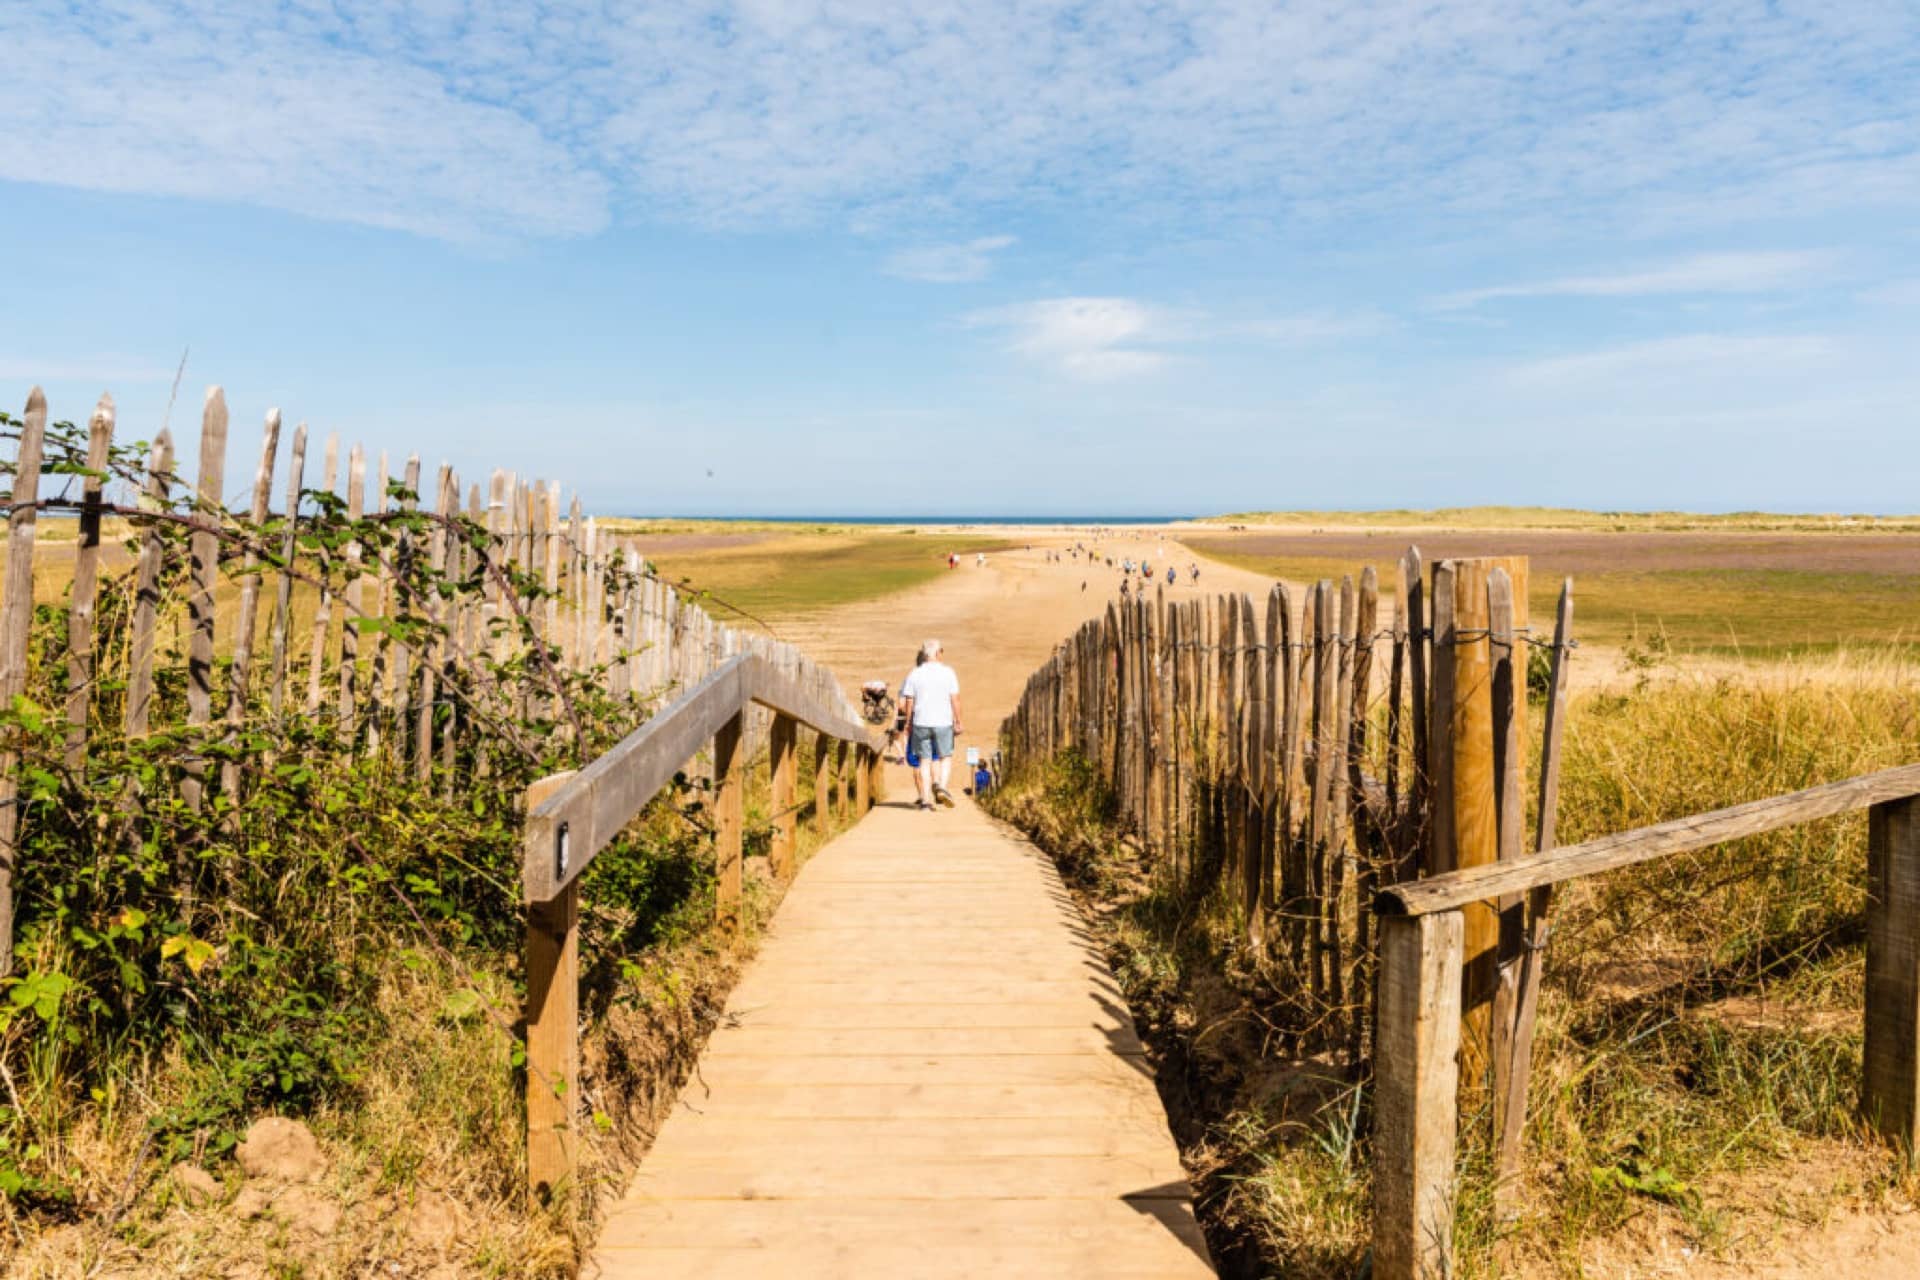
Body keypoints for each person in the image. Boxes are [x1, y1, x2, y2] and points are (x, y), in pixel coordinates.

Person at [898, 638, 963, 809]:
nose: (942, 654)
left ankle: (926, 801)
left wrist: (908, 723)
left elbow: (909, 701)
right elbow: (954, 699)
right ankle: (941, 786)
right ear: (936, 653)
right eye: (942, 651)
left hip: (921, 722)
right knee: (945, 757)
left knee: (924, 761)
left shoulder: (915, 673)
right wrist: (958, 720)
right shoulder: (948, 672)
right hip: (943, 721)